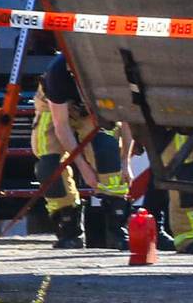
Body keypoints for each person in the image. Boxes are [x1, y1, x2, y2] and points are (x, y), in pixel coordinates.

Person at [31, 53, 133, 249]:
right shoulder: (57, 73)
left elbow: (126, 119)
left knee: (106, 149)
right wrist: (84, 168)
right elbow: (61, 126)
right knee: (49, 165)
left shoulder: (112, 70)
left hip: (94, 109)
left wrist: (125, 161)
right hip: (54, 108)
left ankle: (116, 227)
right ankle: (68, 227)